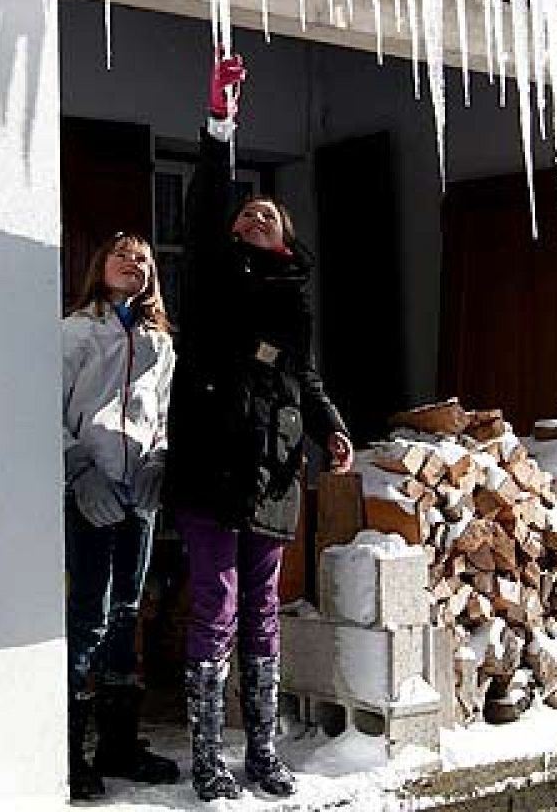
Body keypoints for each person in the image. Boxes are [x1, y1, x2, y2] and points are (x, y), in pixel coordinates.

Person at [164, 51, 355, 802]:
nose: (252, 214)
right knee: (214, 603)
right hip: (212, 464)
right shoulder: (212, 275)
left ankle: (265, 755)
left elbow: (304, 378)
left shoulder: (297, 300)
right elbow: (210, 197)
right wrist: (221, 124)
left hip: (273, 472)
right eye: (246, 212)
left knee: (262, 615)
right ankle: (210, 757)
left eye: (266, 213)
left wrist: (330, 430)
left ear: (285, 237)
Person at [61, 233, 182, 800]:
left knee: (129, 608)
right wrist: (79, 469)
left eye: (143, 258)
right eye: (122, 255)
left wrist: (160, 461)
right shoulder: (77, 332)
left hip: (139, 494)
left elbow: (161, 414)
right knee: (89, 611)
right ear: (99, 267)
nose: (133, 263)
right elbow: (42, 405)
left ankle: (118, 743)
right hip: (91, 490)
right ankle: (69, 752)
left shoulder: (159, 343)